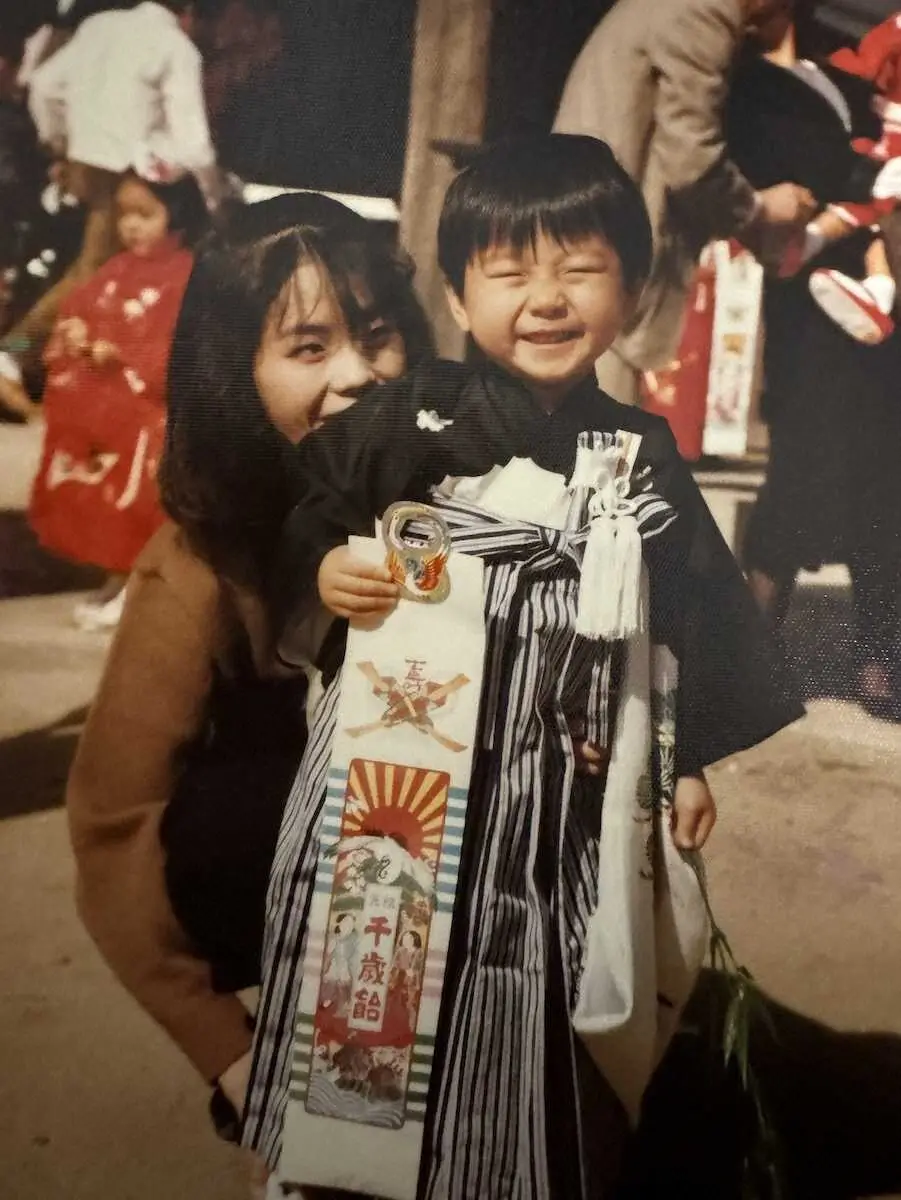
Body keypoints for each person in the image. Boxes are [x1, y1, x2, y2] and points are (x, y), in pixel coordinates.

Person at [243, 134, 803, 1198]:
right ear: (457, 291)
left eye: (581, 269)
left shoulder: (637, 453)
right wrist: (324, 576)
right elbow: (302, 521)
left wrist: (683, 758)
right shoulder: (404, 422)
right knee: (379, 972)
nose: (545, 299)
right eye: (508, 272)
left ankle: (514, 1160)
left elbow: (688, 619)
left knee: (532, 979)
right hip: (396, 778)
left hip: (561, 794)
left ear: (633, 289)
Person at [64, 193, 434, 1157]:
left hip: (452, 871)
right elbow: (115, 825)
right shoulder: (195, 564)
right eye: (308, 348)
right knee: (230, 815)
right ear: (238, 372)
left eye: (376, 334)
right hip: (289, 867)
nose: (356, 375)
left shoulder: (456, 492)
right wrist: (228, 1049)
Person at [725, 9, 901, 718]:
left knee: (887, 479)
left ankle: (878, 658)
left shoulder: (840, 68)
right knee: (801, 467)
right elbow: (793, 170)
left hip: (879, 302)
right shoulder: (746, 86)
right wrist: (867, 178)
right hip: (811, 306)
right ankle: (746, 651)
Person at [553, 0, 818, 405]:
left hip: (589, 215)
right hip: (612, 231)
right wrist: (759, 210)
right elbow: (691, 158)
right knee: (598, 423)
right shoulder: (704, 12)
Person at [0, 0, 221, 419]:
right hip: (127, 174)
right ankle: (9, 357)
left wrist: (60, 144)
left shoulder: (100, 26)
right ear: (188, 12)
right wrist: (213, 198)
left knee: (67, 266)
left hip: (81, 161)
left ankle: (53, 368)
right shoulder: (176, 46)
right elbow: (194, 145)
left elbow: (45, 85)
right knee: (91, 274)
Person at [28, 167, 209, 630]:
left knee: (137, 494)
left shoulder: (187, 274)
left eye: (146, 214)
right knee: (99, 494)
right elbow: (81, 307)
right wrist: (76, 332)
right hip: (109, 404)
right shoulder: (117, 268)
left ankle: (134, 585)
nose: (131, 225)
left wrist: (123, 353)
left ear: (178, 216)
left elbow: (180, 346)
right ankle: (117, 576)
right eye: (125, 214)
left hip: (155, 409)